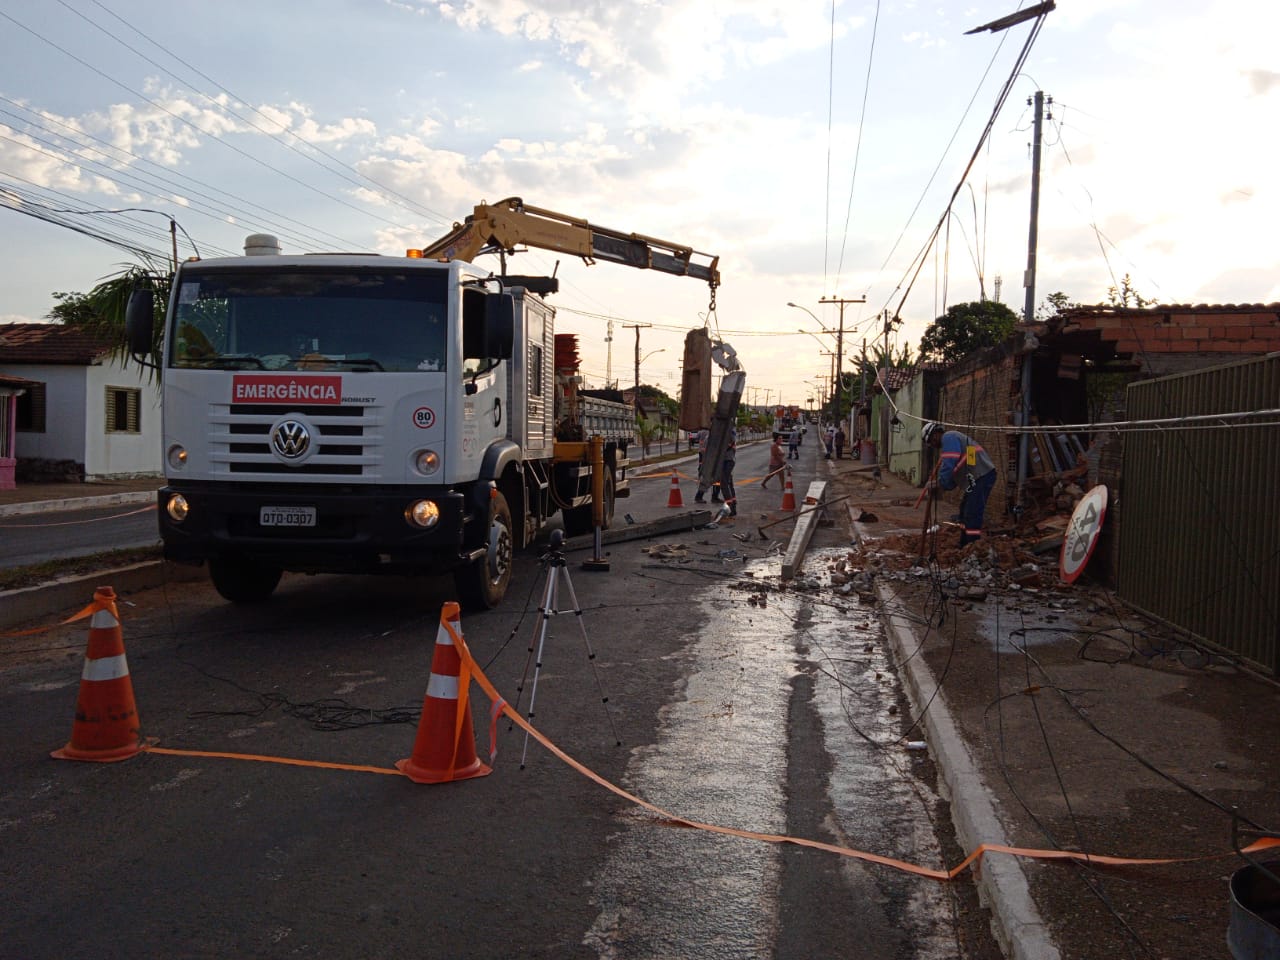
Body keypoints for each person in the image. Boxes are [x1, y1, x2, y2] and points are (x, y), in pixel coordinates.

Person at [923, 421, 996, 547]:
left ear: (935, 435)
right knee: (964, 511)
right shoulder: (953, 441)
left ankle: (973, 545)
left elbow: (949, 464)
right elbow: (953, 478)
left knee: (972, 512)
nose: (933, 445)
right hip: (976, 478)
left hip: (982, 475)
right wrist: (941, 484)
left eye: (931, 442)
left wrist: (940, 483)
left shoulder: (949, 437)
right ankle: (964, 544)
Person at [719, 427, 738, 515]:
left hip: (728, 460)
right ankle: (733, 507)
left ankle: (730, 507)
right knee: (729, 483)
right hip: (727, 460)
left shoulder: (729, 431)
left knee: (724, 483)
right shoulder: (728, 430)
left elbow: (729, 444)